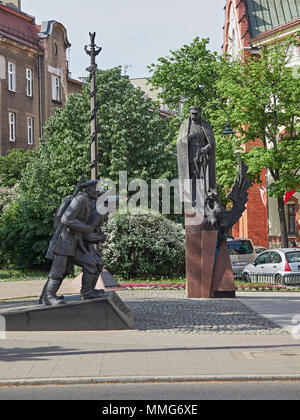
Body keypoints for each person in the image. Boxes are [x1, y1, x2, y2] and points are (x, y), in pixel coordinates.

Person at [40, 180, 107, 306]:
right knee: (58, 272)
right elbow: (66, 219)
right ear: (88, 190)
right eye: (96, 189)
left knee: (90, 263)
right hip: (64, 242)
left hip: (73, 242)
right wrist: (86, 228)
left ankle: (87, 292)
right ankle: (47, 297)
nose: (98, 192)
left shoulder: (87, 201)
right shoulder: (80, 200)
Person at [177, 106, 216, 208]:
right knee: (192, 177)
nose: (194, 115)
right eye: (192, 113)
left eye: (196, 113)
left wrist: (207, 148)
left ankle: (203, 197)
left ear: (199, 114)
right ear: (189, 113)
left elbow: (211, 142)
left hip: (202, 155)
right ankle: (193, 198)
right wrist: (188, 138)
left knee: (202, 177)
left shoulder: (206, 125)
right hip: (189, 155)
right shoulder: (185, 125)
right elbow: (180, 142)